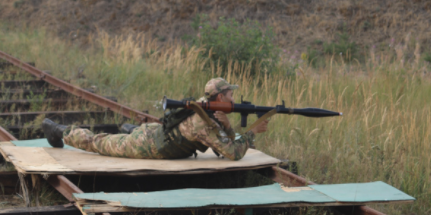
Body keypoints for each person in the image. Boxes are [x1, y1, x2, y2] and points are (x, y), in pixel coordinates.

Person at [42, 78, 269, 161]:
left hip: (158, 132)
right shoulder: (204, 120)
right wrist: (251, 132)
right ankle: (59, 131)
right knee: (99, 143)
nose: (234, 99)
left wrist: (229, 126)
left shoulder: (206, 106)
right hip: (149, 145)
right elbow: (232, 153)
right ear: (220, 97)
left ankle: (132, 130)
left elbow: (223, 141)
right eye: (231, 95)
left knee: (134, 133)